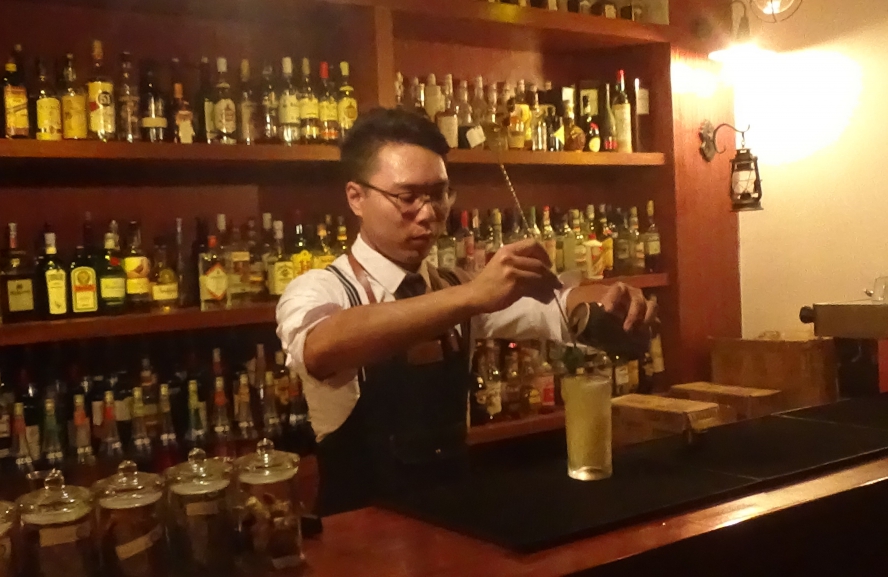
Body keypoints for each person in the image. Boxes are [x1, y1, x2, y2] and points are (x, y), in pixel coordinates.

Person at [276, 108, 656, 515]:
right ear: (356, 197)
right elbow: (322, 347)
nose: (428, 214)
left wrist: (611, 303)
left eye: (439, 194)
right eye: (407, 198)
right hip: (359, 534)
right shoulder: (321, 288)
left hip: (455, 524)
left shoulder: (456, 287)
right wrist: (472, 296)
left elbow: (559, 305)